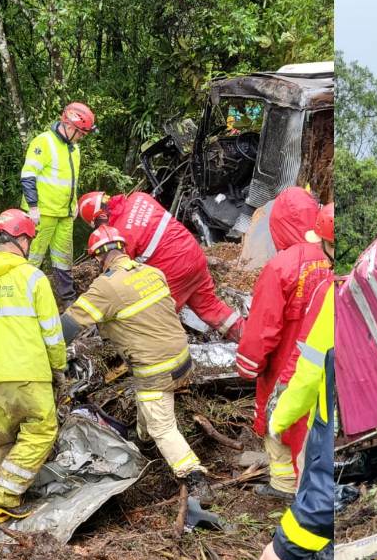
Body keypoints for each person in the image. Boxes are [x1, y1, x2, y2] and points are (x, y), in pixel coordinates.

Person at [61, 225, 212, 500]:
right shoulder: (153, 273)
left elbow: (69, 326)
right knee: (151, 410)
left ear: (97, 258)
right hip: (183, 359)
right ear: (123, 249)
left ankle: (194, 477)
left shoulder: (106, 287)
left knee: (162, 427)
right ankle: (142, 442)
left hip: (155, 369)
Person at [0, 209, 67, 522]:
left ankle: (8, 499)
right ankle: (3, 498)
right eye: (30, 240)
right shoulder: (33, 278)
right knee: (41, 430)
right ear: (21, 239)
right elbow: (51, 330)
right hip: (28, 373)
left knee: (0, 437)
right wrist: (58, 366)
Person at [258, 276, 335, 560]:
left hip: (320, 527)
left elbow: (306, 372)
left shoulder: (334, 294)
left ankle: (282, 486)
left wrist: (288, 541)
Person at [236, 188, 332, 498]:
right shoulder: (328, 260)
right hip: (322, 364)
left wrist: (248, 365)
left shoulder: (280, 267)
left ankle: (284, 487)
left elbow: (262, 327)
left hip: (285, 365)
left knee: (277, 424)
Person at [76, 190, 244, 340]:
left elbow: (121, 272)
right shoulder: (139, 197)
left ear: (99, 217)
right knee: (210, 306)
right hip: (194, 256)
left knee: (154, 321)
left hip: (174, 271)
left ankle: (164, 361)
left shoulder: (121, 233)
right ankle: (250, 340)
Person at [20, 102, 96, 303]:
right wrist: (33, 207)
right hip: (42, 214)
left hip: (64, 214)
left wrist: (74, 203)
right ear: (70, 126)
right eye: (81, 133)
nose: (82, 137)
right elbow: (28, 176)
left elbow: (69, 180)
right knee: (32, 259)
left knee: (63, 258)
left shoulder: (74, 149)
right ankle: (21, 299)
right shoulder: (44, 142)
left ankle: (67, 298)